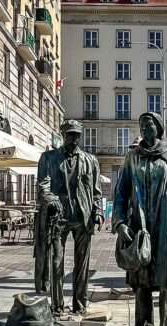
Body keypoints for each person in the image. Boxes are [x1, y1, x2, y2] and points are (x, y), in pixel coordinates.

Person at [113, 112, 167, 326]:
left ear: (159, 127)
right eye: (141, 125)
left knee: (165, 281)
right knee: (142, 281)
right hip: (140, 226)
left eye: (149, 124)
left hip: (166, 224)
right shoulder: (133, 156)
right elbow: (121, 192)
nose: (145, 129)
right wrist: (120, 223)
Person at [37, 120, 102, 315]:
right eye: (70, 135)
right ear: (63, 135)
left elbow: (96, 191)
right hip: (58, 218)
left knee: (82, 264)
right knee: (56, 261)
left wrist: (98, 211)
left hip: (83, 217)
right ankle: (57, 306)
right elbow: (43, 186)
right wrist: (51, 198)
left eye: (76, 135)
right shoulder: (48, 158)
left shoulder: (91, 160)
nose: (74, 138)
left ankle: (80, 304)